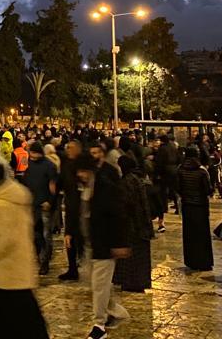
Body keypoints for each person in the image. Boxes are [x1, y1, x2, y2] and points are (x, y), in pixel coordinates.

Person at [0, 159, 49, 338]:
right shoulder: (17, 194)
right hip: (20, 266)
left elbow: (2, 239)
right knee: (25, 316)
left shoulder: (1, 202)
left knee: (6, 319)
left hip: (5, 271)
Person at [82, 145, 131, 339]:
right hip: (92, 243)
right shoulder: (89, 186)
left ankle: (99, 325)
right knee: (98, 284)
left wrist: (120, 243)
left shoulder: (105, 184)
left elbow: (117, 215)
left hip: (105, 243)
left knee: (99, 285)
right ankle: (116, 312)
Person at [113, 154, 154, 292]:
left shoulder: (126, 182)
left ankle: (132, 282)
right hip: (141, 225)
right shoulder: (137, 179)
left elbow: (128, 206)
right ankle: (138, 281)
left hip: (133, 226)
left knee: (132, 258)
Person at [22, 141, 58, 274]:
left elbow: (53, 186)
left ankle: (45, 261)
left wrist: (49, 201)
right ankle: (38, 257)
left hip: (44, 206)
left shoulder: (49, 166)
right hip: (32, 205)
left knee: (45, 235)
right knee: (35, 235)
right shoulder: (30, 165)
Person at [177, 146, 213, 272]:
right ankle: (203, 261)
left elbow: (177, 187)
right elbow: (208, 189)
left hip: (187, 205)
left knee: (189, 234)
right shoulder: (201, 171)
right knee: (202, 234)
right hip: (200, 206)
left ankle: (191, 260)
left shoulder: (181, 170)